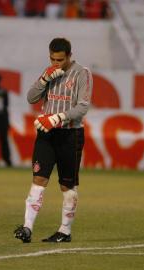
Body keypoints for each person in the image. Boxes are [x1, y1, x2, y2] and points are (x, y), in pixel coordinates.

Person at [13, 37, 93, 243]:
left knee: (67, 186)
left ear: (69, 56)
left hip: (70, 135)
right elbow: (31, 97)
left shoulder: (81, 73)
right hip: (46, 135)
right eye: (52, 59)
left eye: (59, 60)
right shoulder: (48, 72)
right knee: (38, 180)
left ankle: (65, 231)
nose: (55, 63)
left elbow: (83, 107)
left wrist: (57, 117)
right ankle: (27, 228)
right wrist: (43, 80)